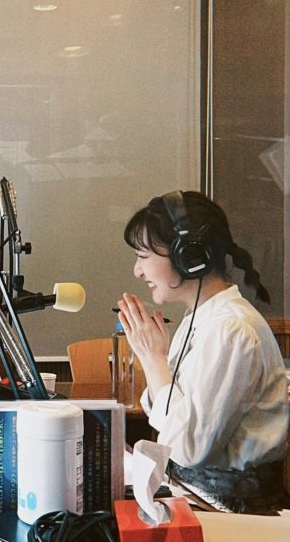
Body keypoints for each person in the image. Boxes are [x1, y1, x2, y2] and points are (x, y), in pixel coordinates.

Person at [116, 189, 288, 513]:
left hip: (230, 512)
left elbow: (188, 449)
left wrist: (154, 359)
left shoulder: (231, 330)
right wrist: (156, 360)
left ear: (189, 256)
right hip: (198, 495)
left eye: (144, 256)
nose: (138, 271)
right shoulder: (201, 317)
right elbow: (163, 414)